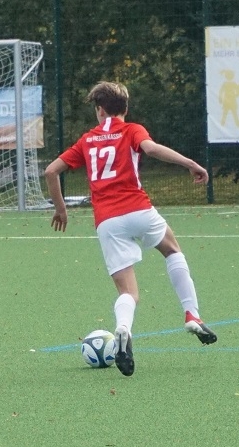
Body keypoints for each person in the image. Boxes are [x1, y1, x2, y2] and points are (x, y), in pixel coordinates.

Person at [44, 81, 217, 377]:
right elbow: (151, 149)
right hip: (139, 209)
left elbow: (51, 171)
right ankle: (192, 314)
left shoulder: (87, 140)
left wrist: (61, 209)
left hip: (108, 221)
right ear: (125, 108)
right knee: (172, 250)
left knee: (128, 292)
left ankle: (123, 328)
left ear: (100, 110)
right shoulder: (131, 130)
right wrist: (190, 163)